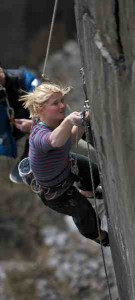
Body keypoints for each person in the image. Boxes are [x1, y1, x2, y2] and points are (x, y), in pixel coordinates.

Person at [19, 82, 109, 246]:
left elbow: (71, 139)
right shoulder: (38, 133)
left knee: (93, 171)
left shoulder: (57, 123)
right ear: (40, 110)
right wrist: (69, 121)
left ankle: (88, 191)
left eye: (62, 100)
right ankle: (98, 236)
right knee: (85, 213)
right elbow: (55, 141)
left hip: (64, 165)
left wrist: (82, 121)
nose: (62, 105)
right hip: (55, 192)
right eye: (55, 103)